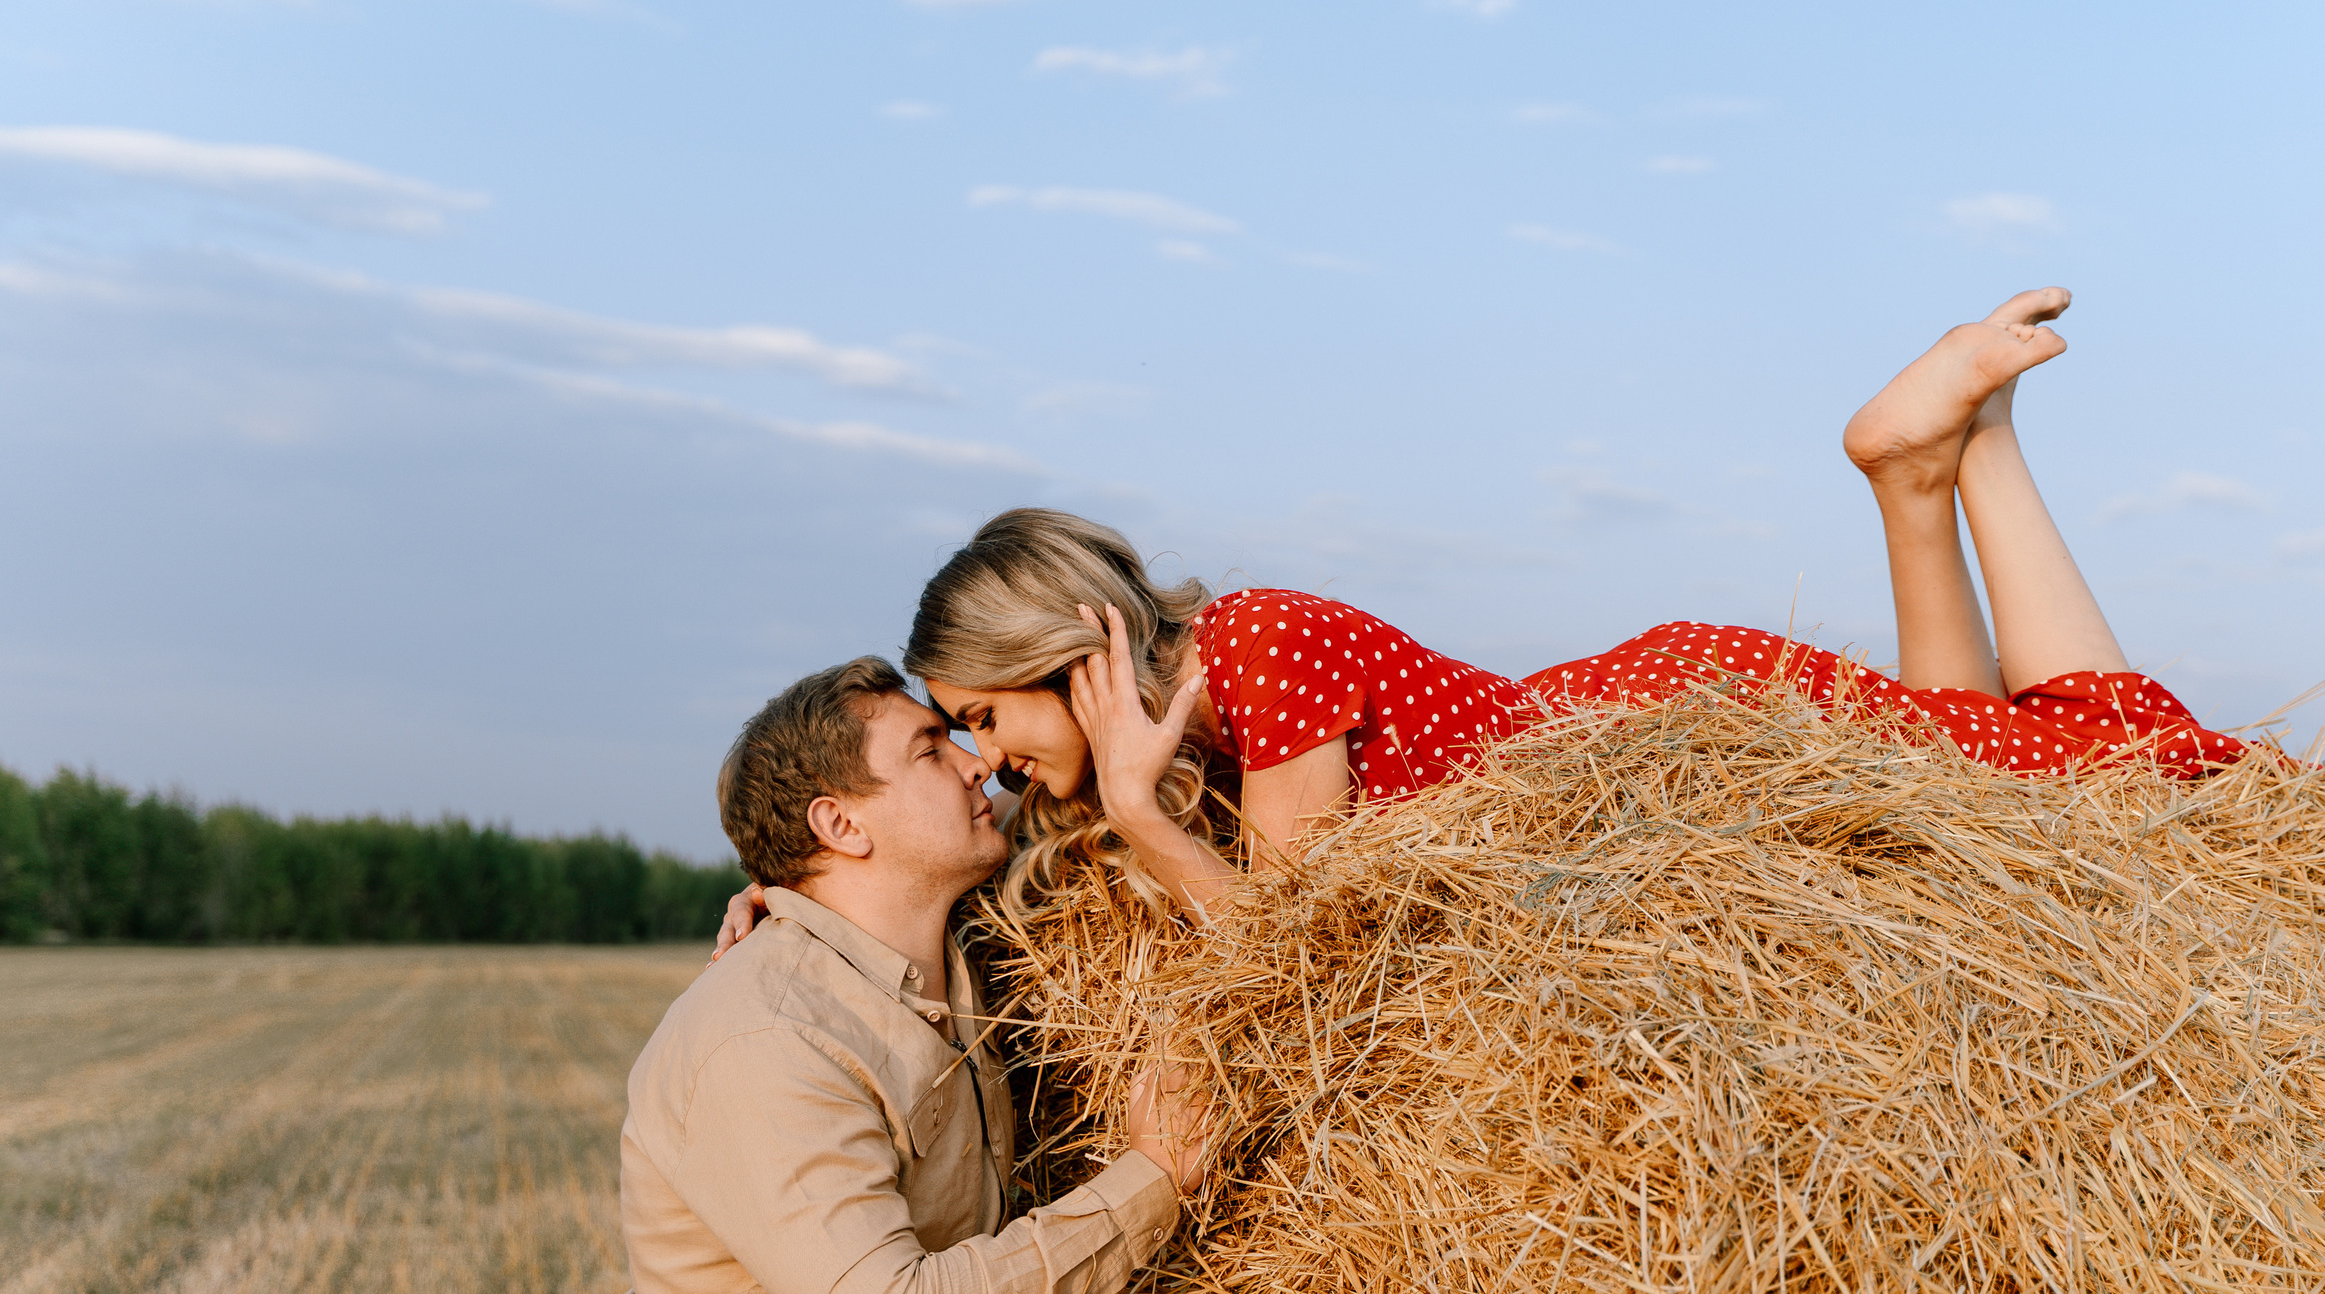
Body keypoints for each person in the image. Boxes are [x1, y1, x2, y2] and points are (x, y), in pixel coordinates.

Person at [716, 288, 2246, 939]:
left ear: (1068, 654)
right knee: (1979, 771)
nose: (980, 757)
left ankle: (1966, 452)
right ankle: (1926, 474)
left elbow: (1306, 953)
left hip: (1675, 731)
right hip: (1645, 744)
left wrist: (1142, 807)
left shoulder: (1256, 652)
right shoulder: (1198, 740)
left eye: (981, 716)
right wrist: (793, 912)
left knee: (2092, 779)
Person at [559, 657, 1206, 1294]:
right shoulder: (770, 1038)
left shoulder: (948, 987)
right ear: (842, 825)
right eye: (927, 747)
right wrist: (1147, 1184)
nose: (975, 764)